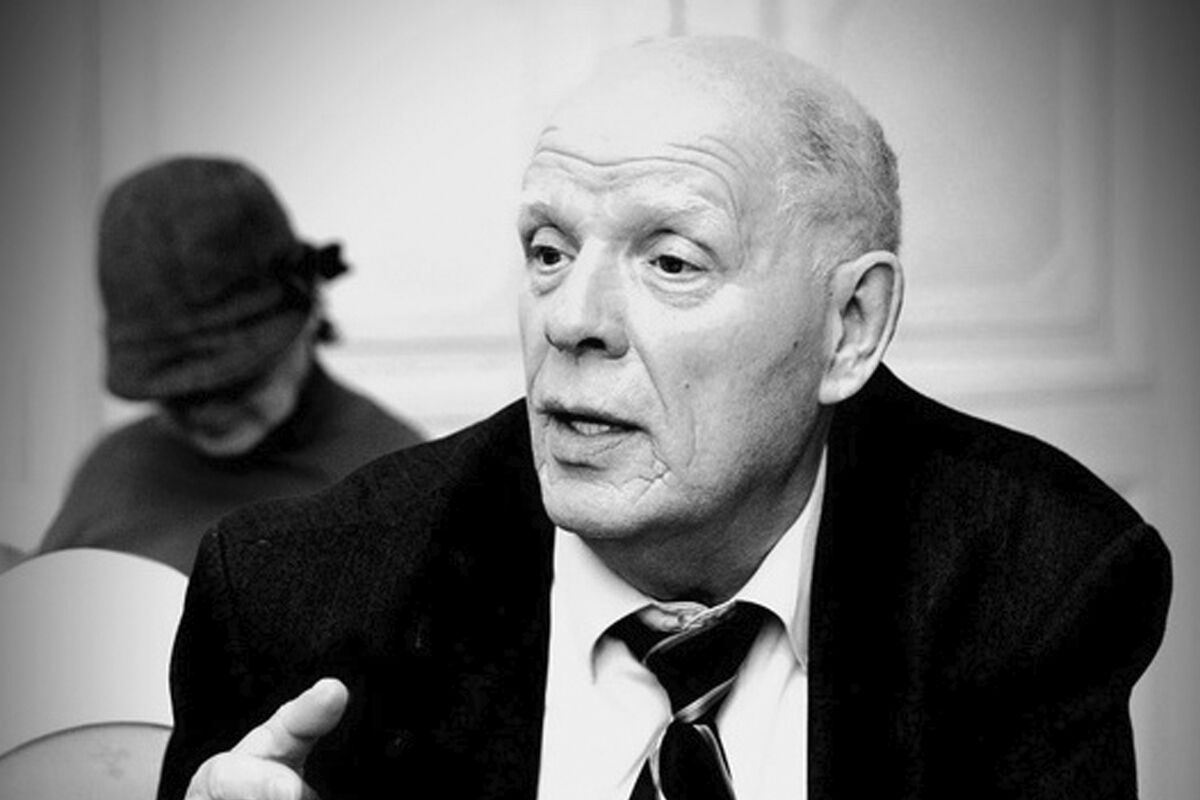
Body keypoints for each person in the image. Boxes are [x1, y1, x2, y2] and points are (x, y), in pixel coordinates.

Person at [159, 38, 1171, 799]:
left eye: (672, 261)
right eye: (549, 251)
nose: (571, 319)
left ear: (849, 325)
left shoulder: (1033, 580)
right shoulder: (298, 597)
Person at [38, 156, 424, 575]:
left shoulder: (399, 483)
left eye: (238, 383)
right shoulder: (114, 468)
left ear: (309, 315)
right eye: (177, 394)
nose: (209, 413)